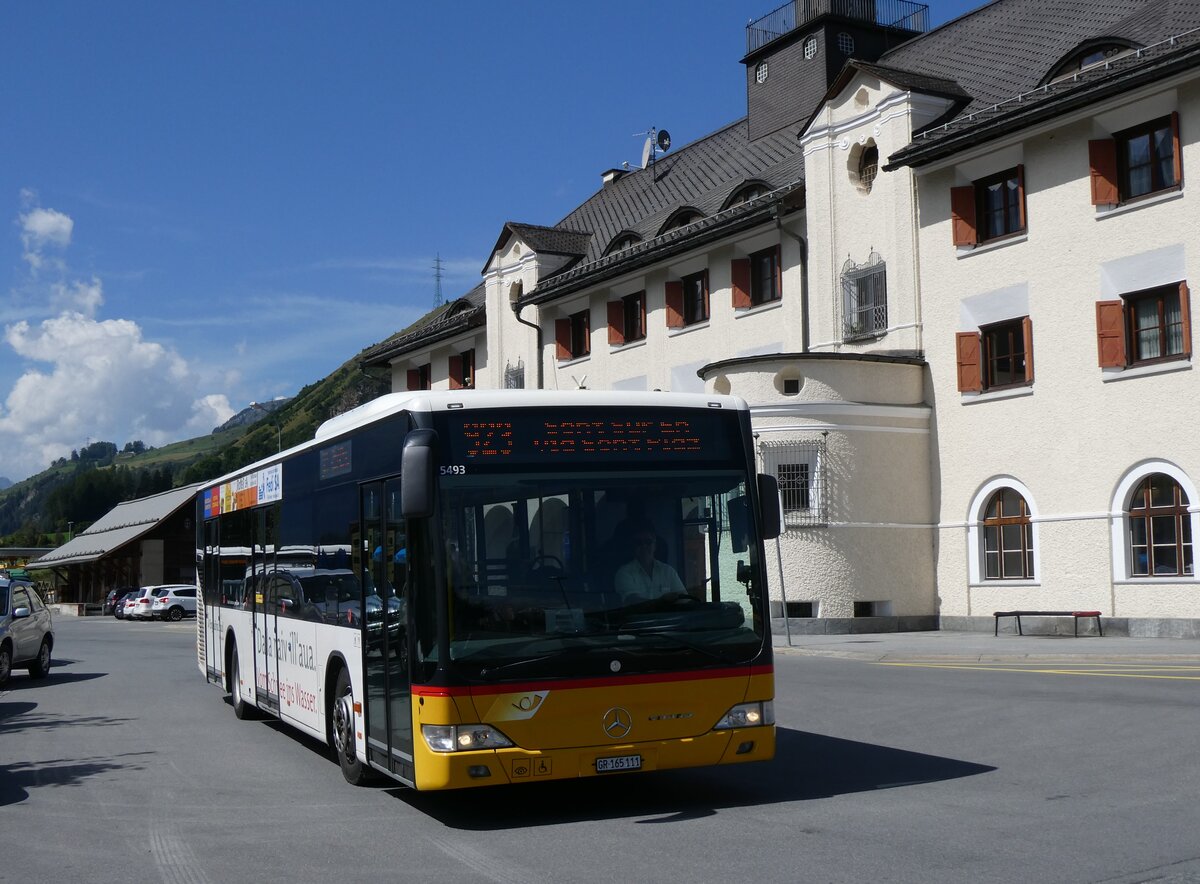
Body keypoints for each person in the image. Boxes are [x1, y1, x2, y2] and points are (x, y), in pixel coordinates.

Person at [614, 523, 685, 604]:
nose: (644, 546)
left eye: (648, 542)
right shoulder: (624, 573)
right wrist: (662, 602)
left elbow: (683, 599)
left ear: (655, 545)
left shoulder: (668, 571)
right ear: (633, 546)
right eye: (639, 543)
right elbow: (632, 602)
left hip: (668, 617)